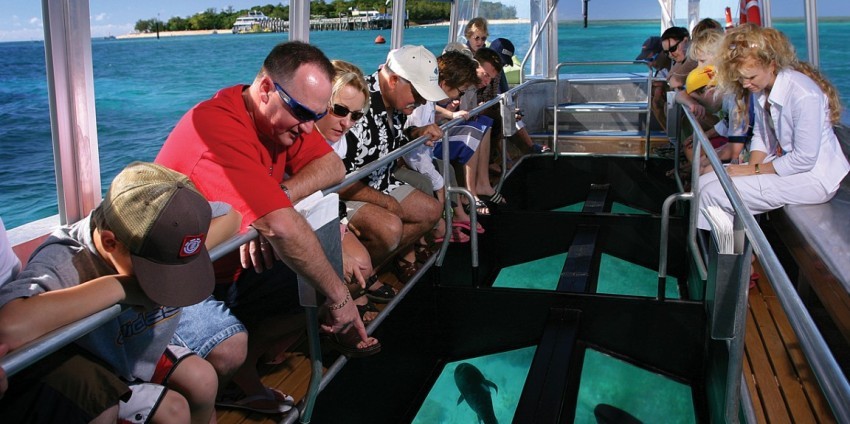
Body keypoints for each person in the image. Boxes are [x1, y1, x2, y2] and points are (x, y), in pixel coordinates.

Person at [157, 41, 379, 414]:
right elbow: (281, 227)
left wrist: (276, 196)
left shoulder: (281, 121)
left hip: (231, 270)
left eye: (318, 115)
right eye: (303, 114)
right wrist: (341, 301)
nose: (310, 128)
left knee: (322, 279)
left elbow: (332, 167)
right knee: (231, 346)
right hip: (177, 282)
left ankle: (244, 374)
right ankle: (219, 385)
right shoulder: (215, 131)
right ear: (264, 90)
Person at [0, 162, 238, 424]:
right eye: (155, 271)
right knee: (172, 413)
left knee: (202, 380)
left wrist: (181, 260)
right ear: (109, 242)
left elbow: (232, 217)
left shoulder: (172, 225)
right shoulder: (65, 261)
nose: (167, 284)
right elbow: (9, 327)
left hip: (133, 353)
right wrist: (121, 288)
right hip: (96, 362)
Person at [697, 24, 850, 230]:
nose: (745, 84)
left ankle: (731, 256)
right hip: (789, 168)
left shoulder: (803, 95)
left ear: (771, 65)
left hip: (814, 178)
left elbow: (805, 158)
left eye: (751, 78)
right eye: (741, 78)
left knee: (714, 193)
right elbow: (761, 135)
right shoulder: (762, 90)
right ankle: (729, 249)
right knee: (706, 180)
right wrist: (749, 169)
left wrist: (754, 170)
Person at [340, 45, 444, 280]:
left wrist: (417, 132)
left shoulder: (396, 104)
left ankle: (369, 269)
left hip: (381, 183)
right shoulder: (355, 104)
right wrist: (385, 203)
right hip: (346, 194)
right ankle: (350, 285)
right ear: (395, 80)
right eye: (418, 94)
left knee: (432, 211)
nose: (421, 101)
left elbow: (389, 139)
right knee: (389, 229)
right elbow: (338, 180)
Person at [314, 59, 397, 323]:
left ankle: (342, 308)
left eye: (356, 116)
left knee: (361, 264)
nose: (347, 123)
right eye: (339, 110)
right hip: (302, 223)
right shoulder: (301, 141)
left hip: (326, 215)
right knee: (356, 266)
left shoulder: (338, 144)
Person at [402, 49, 488, 235]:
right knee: (433, 180)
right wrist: (437, 182)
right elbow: (414, 157)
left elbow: (434, 108)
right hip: (408, 160)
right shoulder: (418, 104)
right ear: (444, 83)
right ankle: (437, 230)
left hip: (421, 155)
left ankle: (456, 216)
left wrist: (451, 114)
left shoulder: (428, 98)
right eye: (460, 91)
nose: (458, 97)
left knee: (446, 168)